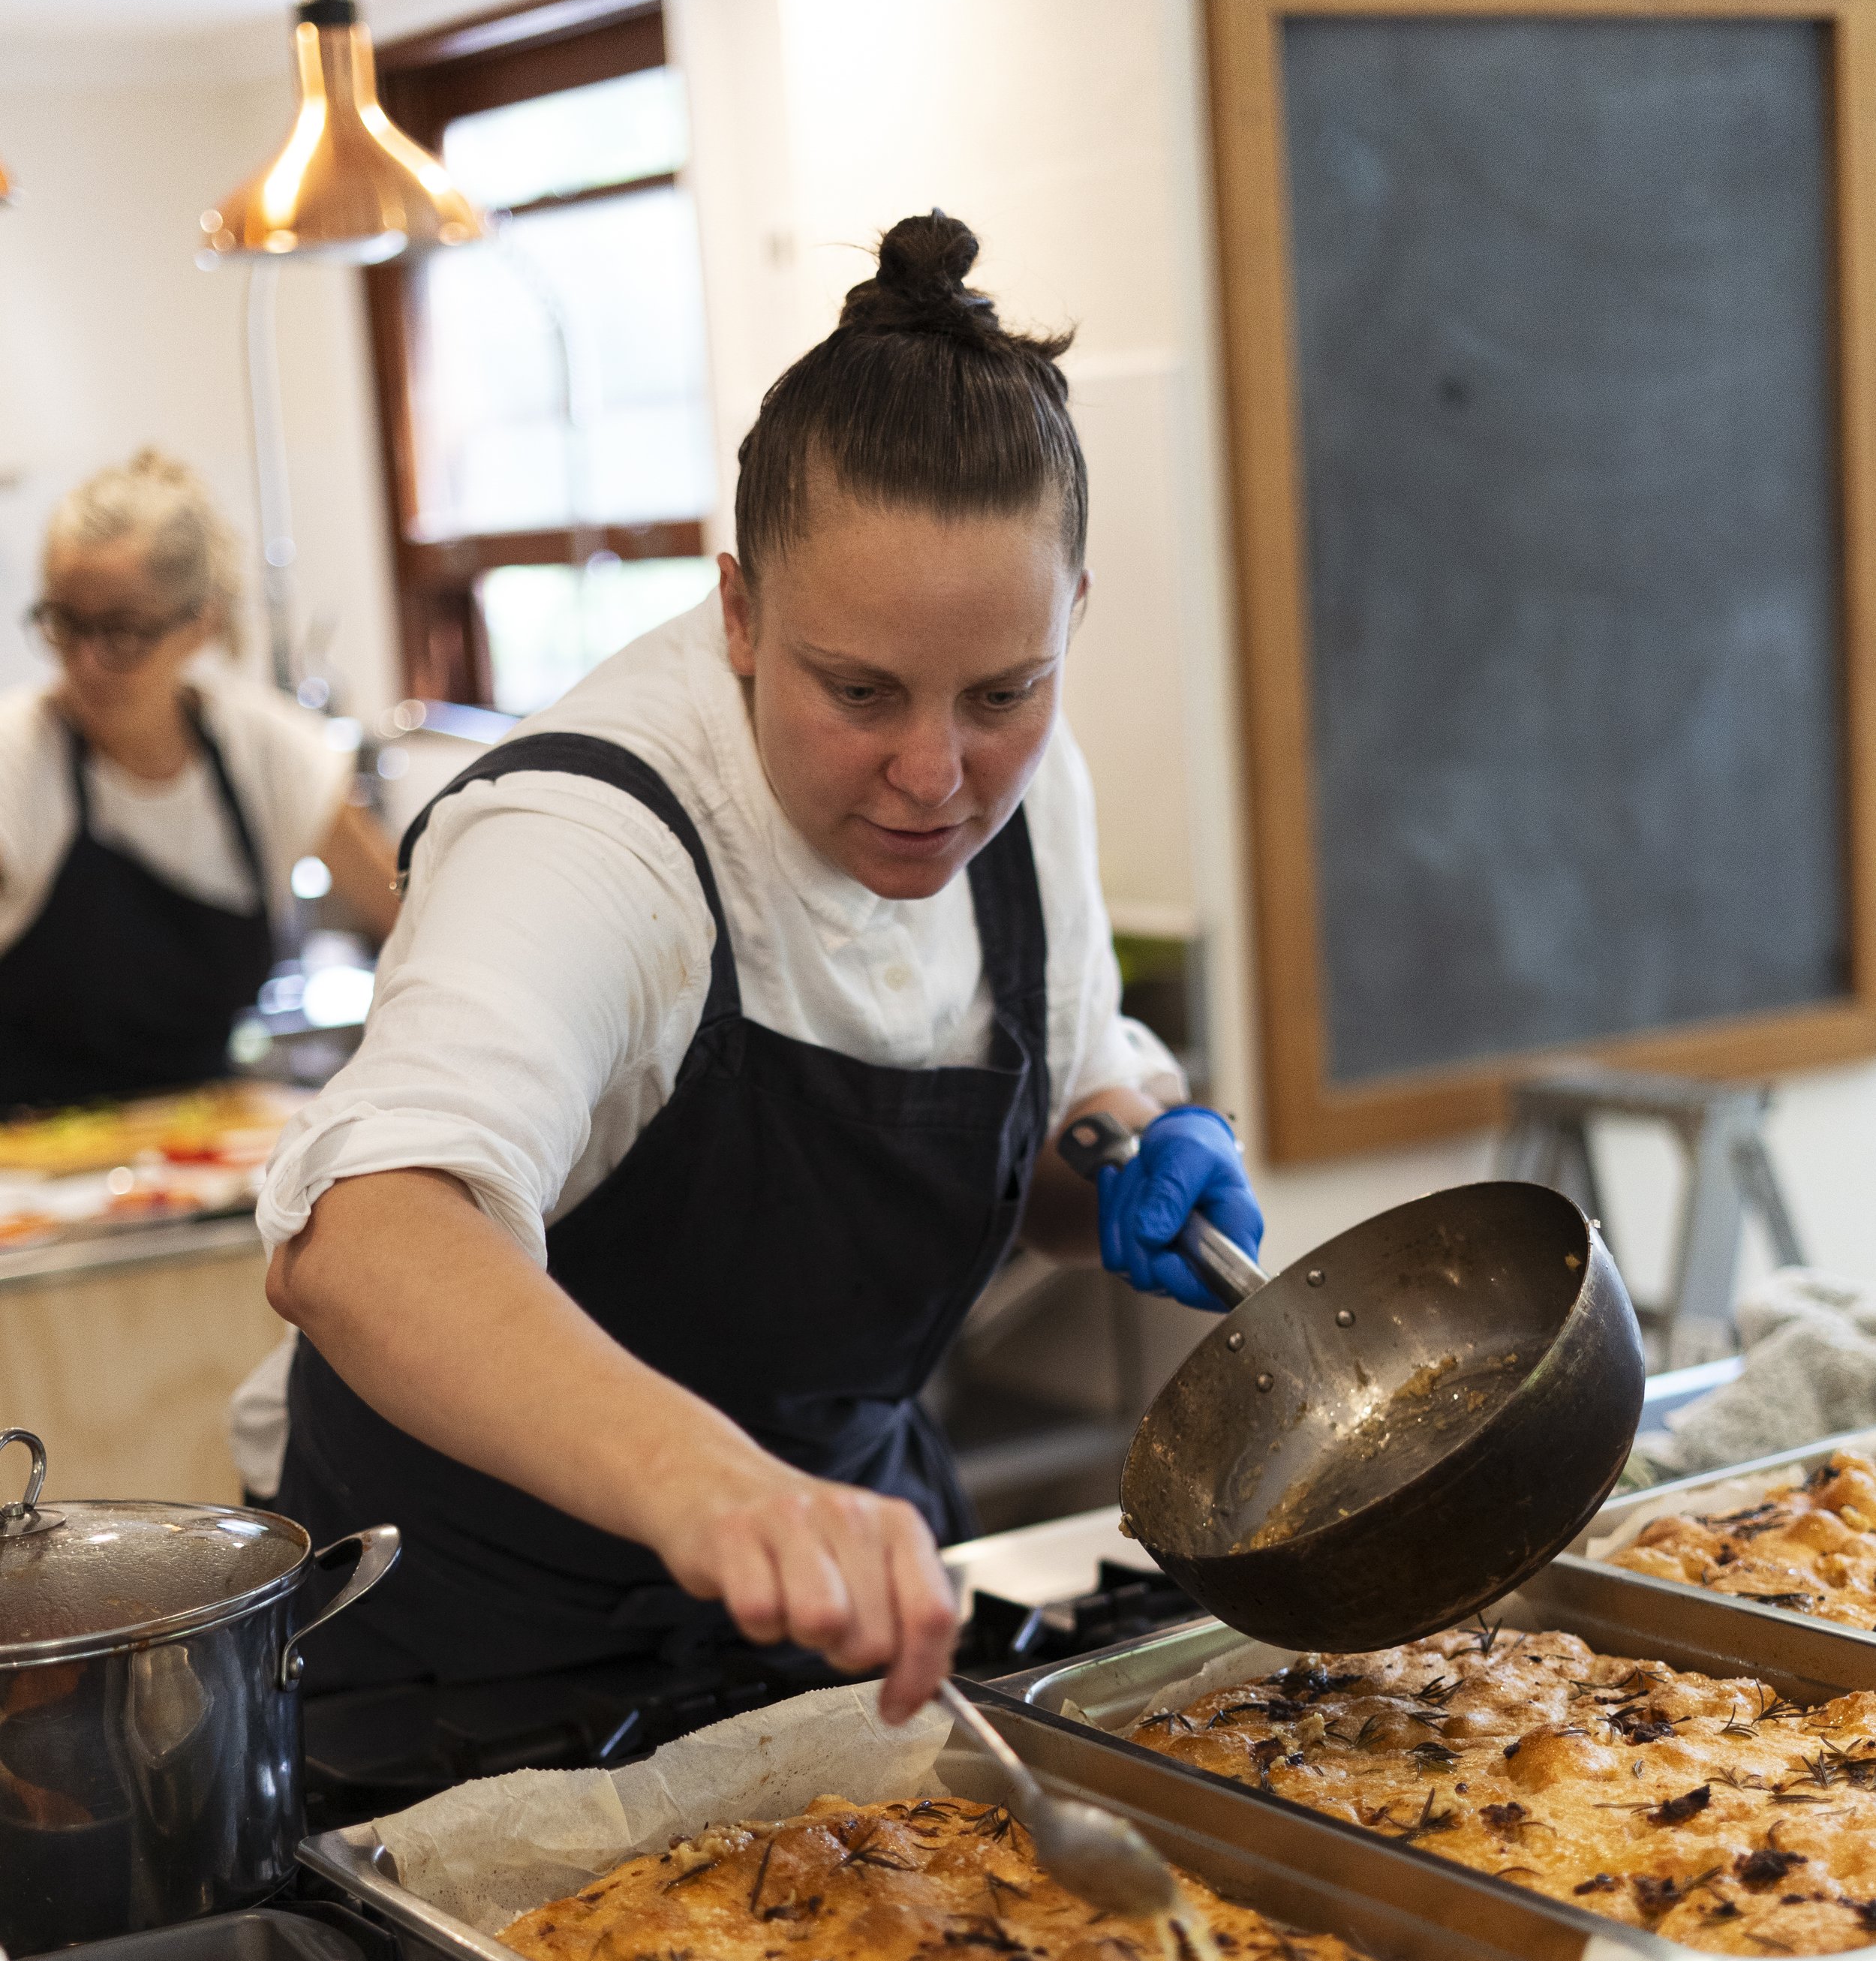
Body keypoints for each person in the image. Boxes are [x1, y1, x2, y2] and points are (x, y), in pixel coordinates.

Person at [257, 213, 1264, 1722]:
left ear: (1069, 620)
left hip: (844, 1616)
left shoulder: (1026, 790)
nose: (936, 773)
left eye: (1003, 690)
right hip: (469, 1665)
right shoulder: (587, 834)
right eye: (856, 691)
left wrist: (1119, 1147)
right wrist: (710, 1485)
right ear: (738, 610)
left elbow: (1057, 1122)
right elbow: (362, 1237)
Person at [0, 450, 396, 1110]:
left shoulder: (268, 753)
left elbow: (411, 920)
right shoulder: (17, 762)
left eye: (122, 632)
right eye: (65, 623)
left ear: (200, 624)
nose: (85, 662)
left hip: (201, 1150)